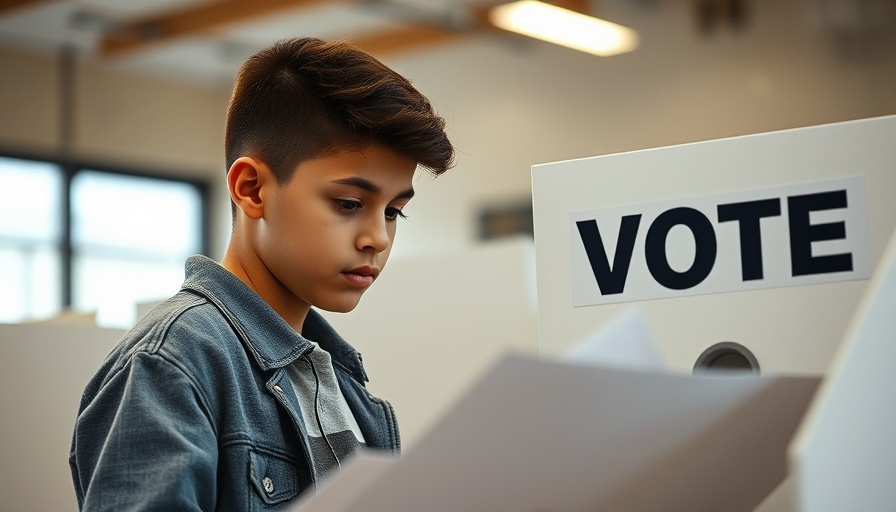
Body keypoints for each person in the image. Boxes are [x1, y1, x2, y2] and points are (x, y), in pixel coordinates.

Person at [69, 37, 454, 510]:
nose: (378, 237)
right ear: (251, 189)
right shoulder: (168, 365)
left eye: (394, 211)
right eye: (349, 204)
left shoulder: (338, 382)